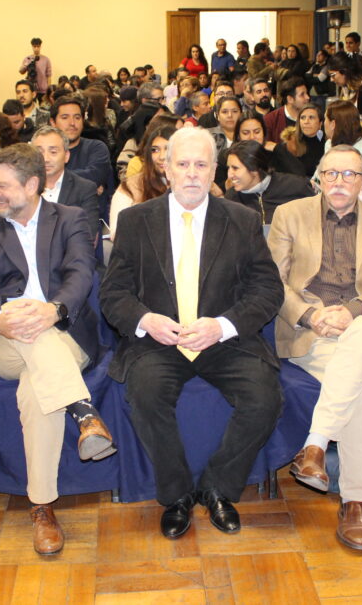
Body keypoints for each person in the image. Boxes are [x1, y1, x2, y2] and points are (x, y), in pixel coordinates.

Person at [101, 126, 284, 539]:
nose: (191, 173)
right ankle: (177, 494)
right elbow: (112, 293)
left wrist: (222, 326)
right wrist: (146, 320)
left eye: (201, 165)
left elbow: (268, 290)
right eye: (182, 164)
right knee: (146, 394)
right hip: (160, 340)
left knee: (264, 398)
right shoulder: (135, 221)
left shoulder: (241, 220)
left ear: (214, 170)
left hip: (223, 339)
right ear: (165, 168)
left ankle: (218, 488)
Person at [0, 143, 112, 555]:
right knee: (23, 321)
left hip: (65, 334)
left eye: (2, 185)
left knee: (35, 389)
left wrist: (52, 310)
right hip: (4, 340)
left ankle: (42, 507)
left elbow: (81, 274)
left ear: (32, 185)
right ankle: (84, 414)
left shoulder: (70, 218)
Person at [268, 144, 362, 552]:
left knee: (360, 334)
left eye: (349, 174)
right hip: (313, 329)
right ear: (318, 179)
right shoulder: (289, 215)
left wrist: (353, 311)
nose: (339, 182)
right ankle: (355, 501)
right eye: (331, 174)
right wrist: (310, 316)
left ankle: (316, 443)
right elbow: (272, 282)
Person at [32, 125, 99, 247]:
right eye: (39, 152)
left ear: (66, 156)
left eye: (53, 152)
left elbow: (87, 238)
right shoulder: (21, 188)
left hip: (70, 257)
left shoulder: (85, 189)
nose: (45, 159)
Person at [109, 123, 174, 240]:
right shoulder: (130, 187)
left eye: (168, 149)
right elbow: (116, 234)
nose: (161, 156)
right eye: (155, 150)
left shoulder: (191, 186)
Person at [224, 140, 314, 224]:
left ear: (254, 168)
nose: (229, 175)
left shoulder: (295, 186)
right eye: (228, 168)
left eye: (235, 168)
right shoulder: (232, 198)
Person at [49, 95, 113, 206]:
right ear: (53, 122)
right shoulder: (44, 152)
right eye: (65, 117)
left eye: (77, 117)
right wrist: (85, 186)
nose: (72, 123)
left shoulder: (97, 148)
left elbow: (94, 176)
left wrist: (50, 179)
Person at [272, 103, 325, 177]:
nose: (306, 122)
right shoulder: (290, 144)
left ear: (320, 123)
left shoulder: (327, 143)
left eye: (311, 118)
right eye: (303, 118)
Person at [322, 100, 362, 167]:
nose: (323, 123)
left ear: (332, 124)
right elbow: (320, 172)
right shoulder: (329, 144)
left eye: (325, 118)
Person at [264, 77, 310, 144]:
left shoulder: (314, 116)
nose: (307, 97)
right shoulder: (271, 120)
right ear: (290, 99)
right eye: (302, 95)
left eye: (307, 93)